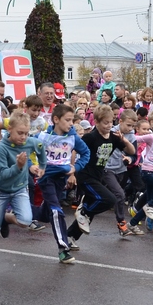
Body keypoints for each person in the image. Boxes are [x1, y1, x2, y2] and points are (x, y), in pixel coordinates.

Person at [0, 111, 47, 268]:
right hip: (0, 190)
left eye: (26, 133)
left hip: (19, 189)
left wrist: (42, 166)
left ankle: (6, 218)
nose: (23, 137)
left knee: (25, 221)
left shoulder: (31, 142)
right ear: (10, 130)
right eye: (20, 133)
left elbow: (41, 149)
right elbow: (4, 174)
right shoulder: (1, 148)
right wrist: (19, 166)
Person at [67, 104, 135, 243]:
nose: (109, 125)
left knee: (90, 212)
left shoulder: (114, 137)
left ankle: (70, 237)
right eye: (105, 122)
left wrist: (125, 141)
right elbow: (74, 150)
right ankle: (83, 210)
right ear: (96, 122)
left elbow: (132, 151)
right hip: (85, 175)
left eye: (111, 122)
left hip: (98, 176)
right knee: (108, 200)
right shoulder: (91, 137)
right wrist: (72, 173)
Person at [33, 104, 90, 263]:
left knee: (45, 214)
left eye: (72, 120)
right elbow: (26, 147)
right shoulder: (42, 137)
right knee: (57, 211)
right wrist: (32, 166)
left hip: (61, 179)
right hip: (46, 178)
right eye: (67, 120)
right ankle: (63, 248)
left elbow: (86, 153)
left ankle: (16, 213)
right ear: (56, 119)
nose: (71, 123)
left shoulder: (73, 137)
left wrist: (75, 168)